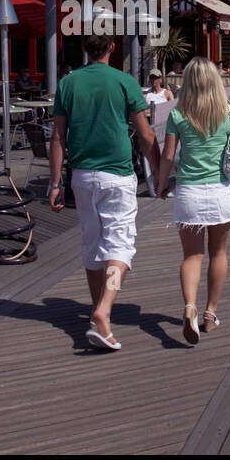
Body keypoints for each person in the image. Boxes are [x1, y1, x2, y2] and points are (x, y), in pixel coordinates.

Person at [48, 34, 161, 351]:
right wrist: (162, 174)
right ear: (113, 47)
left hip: (82, 176)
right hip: (118, 175)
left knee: (92, 244)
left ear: (84, 49)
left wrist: (55, 183)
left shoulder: (68, 84)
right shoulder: (125, 82)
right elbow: (146, 134)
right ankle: (103, 309)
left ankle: (98, 315)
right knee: (120, 247)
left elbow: (58, 137)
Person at [156, 58, 230, 344]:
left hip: (188, 194)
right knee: (218, 253)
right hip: (220, 193)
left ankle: (190, 307)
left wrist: (161, 183)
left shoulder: (178, 114)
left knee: (192, 256)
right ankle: (210, 314)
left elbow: (168, 156)